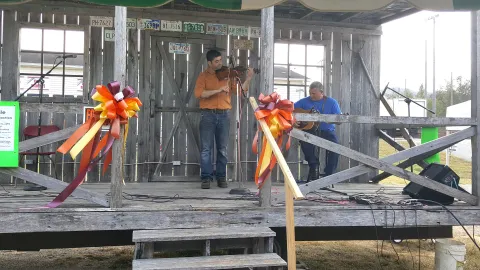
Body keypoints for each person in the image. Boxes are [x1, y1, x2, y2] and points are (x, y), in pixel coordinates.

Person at [194, 50, 254, 189]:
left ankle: (221, 177)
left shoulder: (228, 75)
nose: (220, 63)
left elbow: (241, 91)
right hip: (207, 115)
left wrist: (249, 78)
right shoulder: (203, 76)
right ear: (209, 63)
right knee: (206, 149)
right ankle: (206, 178)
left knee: (223, 148)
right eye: (216, 61)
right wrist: (219, 90)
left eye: (220, 60)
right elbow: (199, 94)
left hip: (224, 114)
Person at [294, 81, 341, 182]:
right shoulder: (303, 102)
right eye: (310, 93)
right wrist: (293, 121)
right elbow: (289, 111)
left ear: (322, 92)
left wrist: (336, 120)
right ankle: (314, 166)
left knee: (335, 147)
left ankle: (329, 175)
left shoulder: (332, 102)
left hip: (326, 131)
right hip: (309, 131)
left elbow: (339, 120)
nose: (311, 96)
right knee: (304, 141)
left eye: (314, 94)